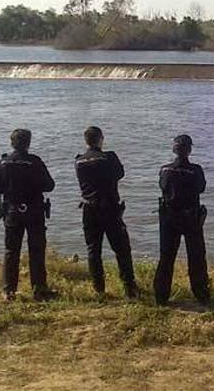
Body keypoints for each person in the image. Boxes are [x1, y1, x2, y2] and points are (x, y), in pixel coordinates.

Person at [0, 129, 57, 302]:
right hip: (34, 211)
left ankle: (8, 291)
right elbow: (49, 185)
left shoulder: (3, 163)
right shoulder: (35, 162)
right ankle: (39, 290)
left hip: (12, 211)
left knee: (11, 251)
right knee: (37, 250)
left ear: (12, 143)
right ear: (28, 143)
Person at [74, 126, 140, 298]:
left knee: (93, 250)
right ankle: (129, 287)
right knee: (122, 249)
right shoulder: (108, 157)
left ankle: (99, 289)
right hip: (109, 208)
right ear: (100, 139)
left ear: (86, 141)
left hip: (89, 208)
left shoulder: (79, 160)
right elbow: (120, 173)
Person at [153, 134, 211, 305]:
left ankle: (161, 296)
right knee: (196, 257)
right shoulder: (196, 170)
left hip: (169, 218)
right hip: (190, 218)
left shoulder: (164, 169)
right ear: (189, 150)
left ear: (174, 150)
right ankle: (201, 295)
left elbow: (162, 186)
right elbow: (201, 188)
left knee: (166, 257)